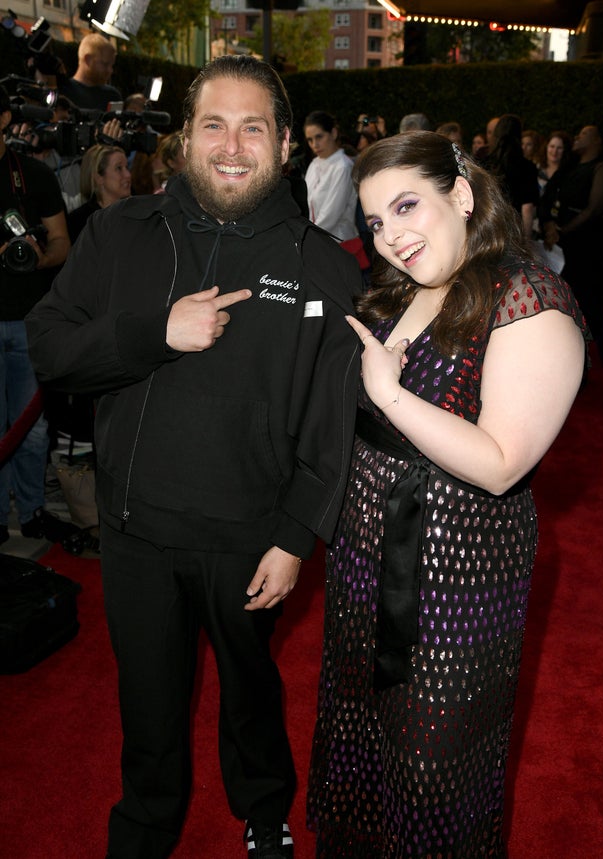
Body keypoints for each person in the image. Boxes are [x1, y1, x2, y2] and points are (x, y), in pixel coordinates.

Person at [26, 55, 362, 859]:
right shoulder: (119, 233)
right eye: (214, 124)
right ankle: (145, 825)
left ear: (286, 146)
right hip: (137, 533)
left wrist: (295, 535)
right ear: (185, 140)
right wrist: (153, 334)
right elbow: (49, 345)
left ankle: (264, 808)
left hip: (253, 538)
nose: (233, 145)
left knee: (251, 691)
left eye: (254, 127)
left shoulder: (323, 266)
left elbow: (331, 420)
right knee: (149, 703)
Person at [306, 131, 588, 858]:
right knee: (365, 744)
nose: (391, 236)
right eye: (374, 222)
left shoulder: (531, 298)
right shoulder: (407, 287)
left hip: (455, 585)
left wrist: (389, 397)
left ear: (461, 196)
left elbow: (500, 461)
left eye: (407, 206)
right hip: (364, 569)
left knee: (434, 772)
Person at [0, 84, 70, 545]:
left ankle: (30, 510)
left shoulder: (34, 175)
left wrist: (35, 256)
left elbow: (62, 243)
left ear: (4, 121)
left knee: (32, 429)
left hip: (29, 320)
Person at [540, 124, 603, 338]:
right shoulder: (570, 167)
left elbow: (594, 209)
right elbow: (550, 198)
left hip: (586, 246)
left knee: (583, 300)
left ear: (597, 141)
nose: (577, 137)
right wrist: (549, 225)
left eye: (584, 134)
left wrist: (561, 231)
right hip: (559, 245)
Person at [303, 110, 358, 240]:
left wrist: (307, 236)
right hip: (317, 241)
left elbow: (331, 215)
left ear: (333, 133)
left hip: (340, 242)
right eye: (310, 140)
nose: (314, 145)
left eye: (319, 137)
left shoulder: (343, 166)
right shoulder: (314, 165)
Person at [484, 113, 539, 239]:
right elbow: (527, 207)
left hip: (488, 229)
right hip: (513, 233)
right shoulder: (527, 167)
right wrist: (525, 242)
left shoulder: (484, 163)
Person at [66, 144, 131, 242]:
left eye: (127, 167)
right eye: (119, 168)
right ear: (99, 178)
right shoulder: (80, 223)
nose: (128, 175)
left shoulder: (138, 213)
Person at [57, 33, 122, 111]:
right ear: (88, 60)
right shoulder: (64, 92)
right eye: (105, 64)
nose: (110, 70)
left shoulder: (113, 96)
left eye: (111, 65)